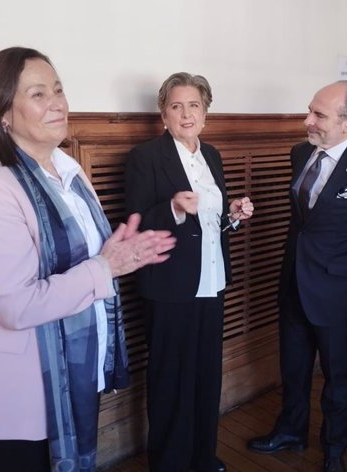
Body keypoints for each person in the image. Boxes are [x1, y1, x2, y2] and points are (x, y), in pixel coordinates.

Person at [0, 47, 176, 472]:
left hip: (71, 378)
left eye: (59, 89)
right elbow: (19, 305)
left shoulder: (70, 173)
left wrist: (125, 255)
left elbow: (93, 259)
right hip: (18, 390)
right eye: (38, 94)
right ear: (2, 115)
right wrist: (108, 267)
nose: (58, 102)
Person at [246, 81, 347, 472]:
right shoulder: (300, 153)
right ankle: (291, 430)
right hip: (294, 285)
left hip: (342, 294)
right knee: (294, 368)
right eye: (310, 111)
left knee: (338, 377)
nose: (308, 121)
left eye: (318, 115)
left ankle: (334, 450)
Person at [124, 72, 254, 472]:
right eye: (176, 106)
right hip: (168, 285)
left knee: (205, 375)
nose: (185, 113)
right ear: (163, 113)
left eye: (194, 105)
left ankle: (201, 456)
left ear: (205, 113)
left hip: (212, 282)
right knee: (169, 380)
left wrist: (233, 216)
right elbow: (136, 222)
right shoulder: (145, 158)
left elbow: (210, 224)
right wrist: (175, 208)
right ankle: (168, 464)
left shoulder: (211, 155)